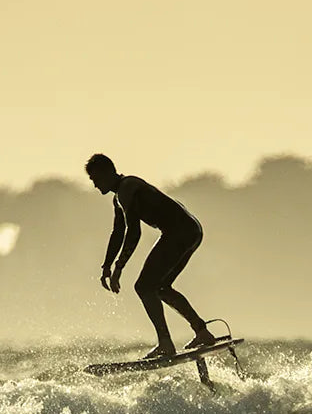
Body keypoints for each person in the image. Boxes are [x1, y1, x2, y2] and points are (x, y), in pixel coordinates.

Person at [86, 153, 220, 359]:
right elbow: (118, 233)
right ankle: (202, 332)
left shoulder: (128, 188)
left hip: (179, 233)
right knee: (161, 288)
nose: (95, 185)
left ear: (108, 172)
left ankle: (165, 343)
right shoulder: (119, 198)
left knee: (144, 286)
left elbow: (134, 232)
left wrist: (119, 268)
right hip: (191, 231)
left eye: (96, 179)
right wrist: (106, 266)